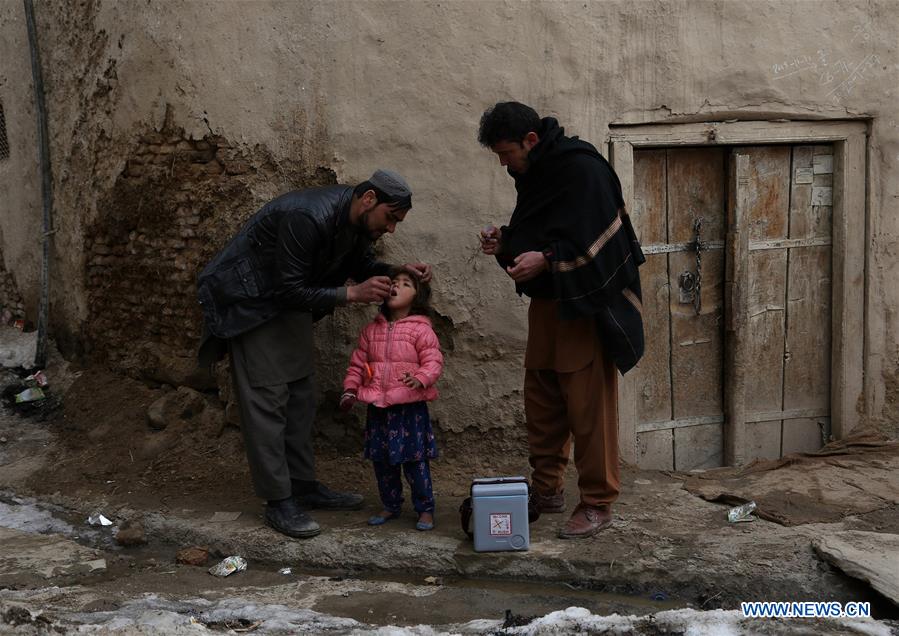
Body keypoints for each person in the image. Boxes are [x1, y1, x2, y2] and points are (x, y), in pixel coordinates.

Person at [196, 169, 431, 539]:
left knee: (300, 399)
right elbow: (289, 288)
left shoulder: (353, 221)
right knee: (268, 403)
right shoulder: (306, 217)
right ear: (368, 199)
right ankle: (278, 501)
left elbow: (359, 266)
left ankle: (303, 486)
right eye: (390, 218)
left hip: (287, 309)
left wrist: (395, 271)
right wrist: (350, 295)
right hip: (251, 307)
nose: (391, 229)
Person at [477, 102, 645, 539]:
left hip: (585, 309)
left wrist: (548, 261)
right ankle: (547, 488)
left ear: (531, 140)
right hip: (549, 308)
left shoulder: (581, 170)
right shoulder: (536, 175)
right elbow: (543, 233)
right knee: (543, 401)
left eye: (507, 153)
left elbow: (601, 247)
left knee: (589, 411)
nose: (504, 163)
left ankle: (597, 502)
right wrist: (507, 243)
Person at [339, 269, 443, 531]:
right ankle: (390, 505)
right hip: (378, 408)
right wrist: (351, 389)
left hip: (409, 408)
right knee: (382, 461)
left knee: (414, 460)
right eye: (393, 282)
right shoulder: (371, 331)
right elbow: (357, 365)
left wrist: (421, 377)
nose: (397, 286)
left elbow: (433, 361)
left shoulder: (422, 330)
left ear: (417, 296)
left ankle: (425, 509)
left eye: (406, 284)